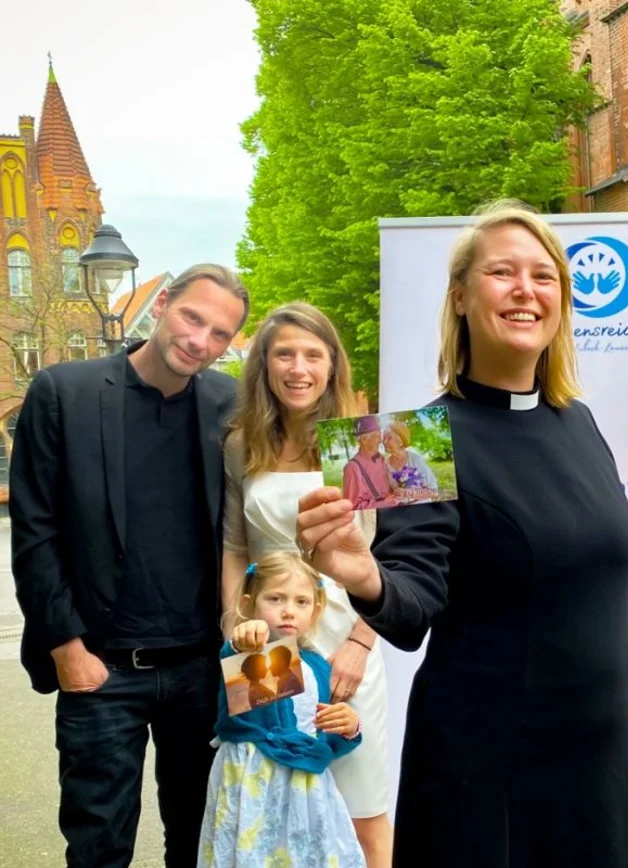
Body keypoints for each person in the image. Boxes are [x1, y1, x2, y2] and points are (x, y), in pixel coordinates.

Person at [293, 198, 628, 867]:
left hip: (597, 762)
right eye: (504, 272)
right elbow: (413, 608)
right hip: (487, 771)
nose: (526, 290)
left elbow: (624, 586)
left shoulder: (580, 421)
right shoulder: (402, 440)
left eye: (544, 275)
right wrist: (363, 574)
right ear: (461, 296)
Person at [9, 263, 247, 867]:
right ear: (162, 303)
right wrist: (66, 647)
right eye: (193, 317)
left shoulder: (230, 402)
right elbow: (36, 530)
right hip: (102, 667)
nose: (200, 341)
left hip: (201, 668)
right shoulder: (66, 392)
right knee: (98, 844)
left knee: (201, 838)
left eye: (220, 334)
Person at [221, 301, 395, 866]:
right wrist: (235, 625)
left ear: (332, 364)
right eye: (284, 354)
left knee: (363, 812)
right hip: (270, 643)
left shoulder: (365, 440)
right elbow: (234, 547)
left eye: (313, 355)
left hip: (349, 637)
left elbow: (403, 556)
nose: (299, 368)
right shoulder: (242, 443)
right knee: (277, 801)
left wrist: (361, 645)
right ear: (263, 366)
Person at [199, 551, 365, 868]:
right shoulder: (247, 654)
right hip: (254, 784)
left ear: (315, 611)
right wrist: (242, 643)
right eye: (275, 599)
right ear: (248, 603)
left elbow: (322, 735)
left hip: (306, 788)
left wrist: (349, 726)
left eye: (301, 602)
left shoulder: (317, 665)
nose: (288, 611)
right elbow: (248, 689)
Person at [342, 417, 396, 509]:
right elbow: (353, 508)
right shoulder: (352, 468)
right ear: (364, 440)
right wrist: (384, 503)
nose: (381, 441)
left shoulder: (382, 459)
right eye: (378, 436)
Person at [382, 419, 439, 502]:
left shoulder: (415, 459)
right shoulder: (385, 463)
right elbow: (390, 491)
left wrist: (408, 492)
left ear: (400, 441)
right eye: (384, 438)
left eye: (389, 438)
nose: (384, 442)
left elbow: (434, 491)